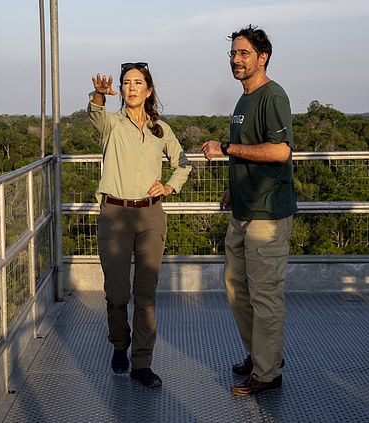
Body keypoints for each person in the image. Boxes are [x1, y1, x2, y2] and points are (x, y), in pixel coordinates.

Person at [201, 25, 297, 396]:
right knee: (235, 287)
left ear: (263, 57)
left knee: (265, 294)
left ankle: (268, 373)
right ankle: (261, 354)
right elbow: (248, 151)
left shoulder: (273, 96)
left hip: (267, 215)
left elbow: (279, 152)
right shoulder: (244, 100)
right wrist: (231, 186)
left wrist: (226, 148)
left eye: (243, 53)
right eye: (233, 54)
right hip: (242, 210)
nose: (236, 60)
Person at [89, 62, 192, 388]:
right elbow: (95, 115)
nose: (131, 87)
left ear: (148, 90)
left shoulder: (161, 129)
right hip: (114, 215)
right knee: (117, 294)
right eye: (125, 83)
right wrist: (98, 96)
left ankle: (142, 363)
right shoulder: (112, 124)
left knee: (145, 295)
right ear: (120, 90)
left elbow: (183, 162)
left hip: (150, 216)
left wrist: (170, 185)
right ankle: (120, 343)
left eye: (137, 82)